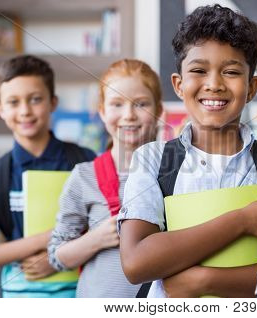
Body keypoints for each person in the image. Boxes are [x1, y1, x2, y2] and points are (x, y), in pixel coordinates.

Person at [118, 4, 257, 298]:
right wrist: (244, 220)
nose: (214, 84)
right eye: (199, 70)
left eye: (231, 72)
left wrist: (204, 281)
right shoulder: (152, 160)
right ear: (179, 84)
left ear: (251, 88)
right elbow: (137, 262)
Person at [0, 55, 95, 297]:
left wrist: (57, 258)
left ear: (53, 102)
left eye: (35, 99)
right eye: (13, 102)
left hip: (81, 292)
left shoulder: (85, 161)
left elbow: (105, 228)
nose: (25, 111)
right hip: (18, 296)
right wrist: (48, 239)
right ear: (0, 109)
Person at [48, 59, 163, 297]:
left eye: (141, 104)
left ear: (159, 110)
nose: (129, 115)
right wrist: (97, 239)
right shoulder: (84, 176)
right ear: (102, 111)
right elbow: (57, 256)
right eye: (117, 104)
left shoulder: (177, 172)